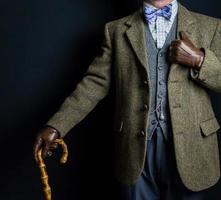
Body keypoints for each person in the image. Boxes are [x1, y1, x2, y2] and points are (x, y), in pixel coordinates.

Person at [33, 0, 221, 199]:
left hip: (193, 148)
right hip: (135, 150)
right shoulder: (115, 30)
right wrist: (56, 126)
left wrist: (200, 60)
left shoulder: (211, 26)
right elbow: (94, 84)